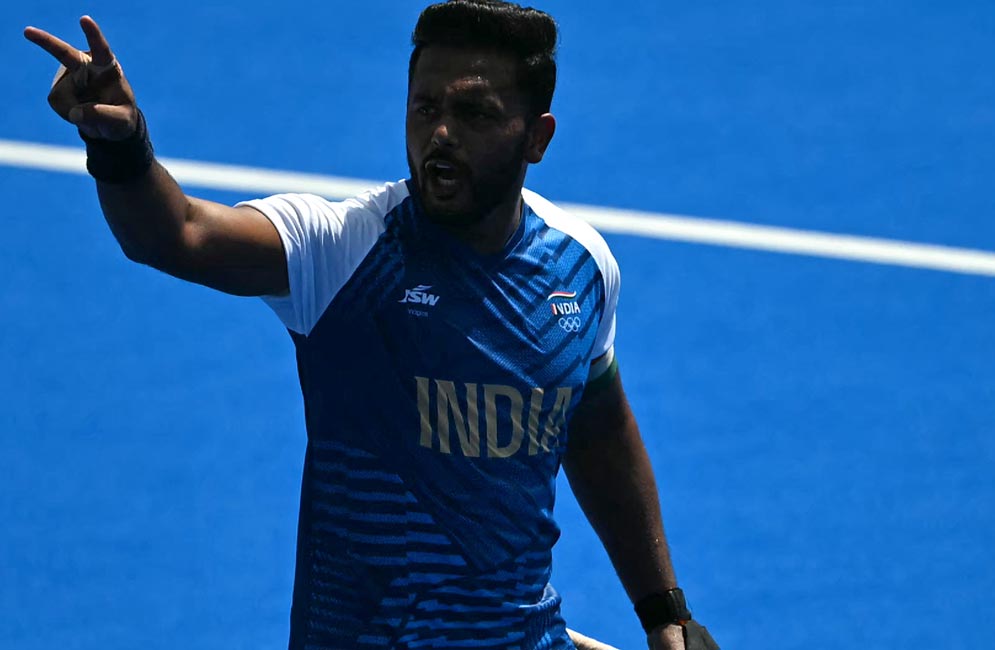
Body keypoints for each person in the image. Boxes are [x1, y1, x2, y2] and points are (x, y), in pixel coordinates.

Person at [24, 2, 721, 649]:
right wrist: (120, 147)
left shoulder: (580, 270)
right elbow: (176, 233)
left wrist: (664, 611)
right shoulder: (343, 251)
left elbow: (596, 427)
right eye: (425, 108)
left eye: (475, 112)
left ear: (536, 139)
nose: (441, 132)